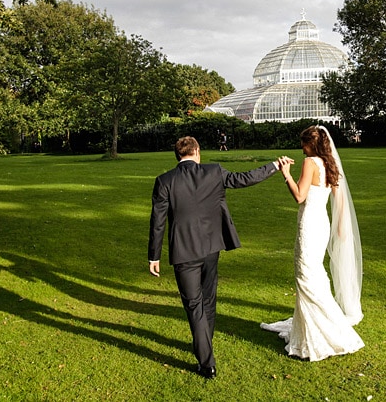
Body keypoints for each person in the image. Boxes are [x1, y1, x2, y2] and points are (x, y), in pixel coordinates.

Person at [148, 136, 291, 379]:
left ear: (178, 155)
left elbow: (157, 222)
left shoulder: (164, 181)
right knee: (207, 300)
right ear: (197, 151)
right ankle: (205, 345)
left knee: (195, 305)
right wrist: (274, 166)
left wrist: (154, 256)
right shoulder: (213, 172)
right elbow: (243, 179)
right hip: (211, 247)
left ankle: (207, 362)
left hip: (184, 252)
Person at [261, 125, 364, 361]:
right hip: (323, 224)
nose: (301, 149)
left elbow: (299, 196)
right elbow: (339, 201)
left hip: (309, 224)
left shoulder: (310, 162)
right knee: (314, 273)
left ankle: (326, 328)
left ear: (311, 144)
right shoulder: (331, 164)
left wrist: (285, 173)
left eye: (303, 144)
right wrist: (340, 228)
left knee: (306, 275)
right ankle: (306, 328)